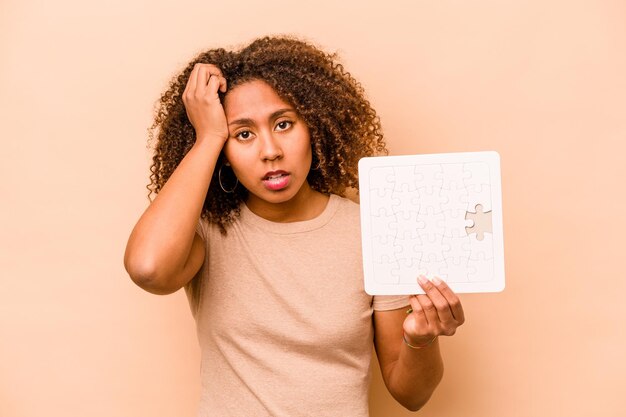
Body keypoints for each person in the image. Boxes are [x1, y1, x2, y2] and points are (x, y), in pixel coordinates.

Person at [124, 35, 465, 416]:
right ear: (225, 154)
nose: (270, 150)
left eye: (283, 124)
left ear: (315, 126)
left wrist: (421, 338)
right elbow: (148, 268)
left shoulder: (372, 230)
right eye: (243, 134)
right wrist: (208, 136)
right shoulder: (206, 231)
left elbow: (411, 394)